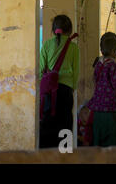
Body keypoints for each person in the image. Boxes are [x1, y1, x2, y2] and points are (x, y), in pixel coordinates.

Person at [39, 15, 79, 148]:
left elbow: (40, 69)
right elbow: (76, 72)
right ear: (69, 30)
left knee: (47, 122)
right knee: (65, 122)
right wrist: (72, 87)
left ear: (53, 29)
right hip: (65, 91)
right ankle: (64, 155)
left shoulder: (47, 44)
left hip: (49, 92)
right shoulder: (73, 47)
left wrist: (42, 87)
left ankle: (46, 155)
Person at [87, 34, 116, 147]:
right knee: (115, 134)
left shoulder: (98, 64)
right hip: (111, 105)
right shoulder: (113, 65)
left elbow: (95, 80)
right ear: (112, 51)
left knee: (100, 133)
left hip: (98, 104)